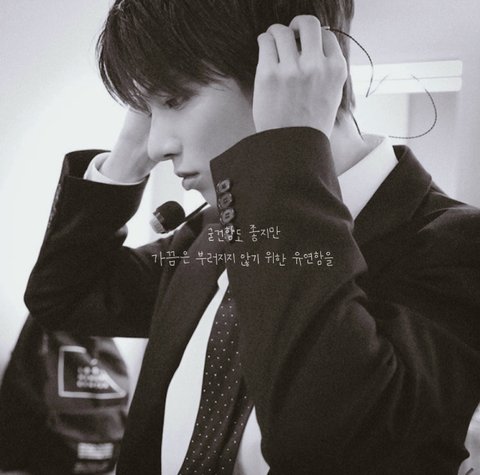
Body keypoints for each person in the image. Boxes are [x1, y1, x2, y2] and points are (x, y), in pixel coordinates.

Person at [24, 0, 480, 474]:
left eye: (175, 99)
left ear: (290, 60)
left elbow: (332, 446)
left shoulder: (458, 247)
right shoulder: (211, 235)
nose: (158, 146)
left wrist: (288, 152)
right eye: (147, 110)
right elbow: (64, 296)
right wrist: (128, 154)